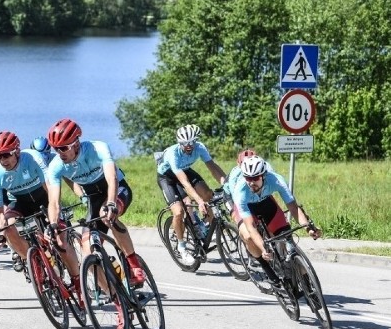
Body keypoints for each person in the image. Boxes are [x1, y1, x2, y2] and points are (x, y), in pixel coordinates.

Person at [44, 118, 146, 286]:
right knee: (87, 252)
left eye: (63, 148)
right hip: (93, 198)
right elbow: (54, 202)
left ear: (76, 144)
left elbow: (112, 179)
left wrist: (112, 203)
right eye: (56, 149)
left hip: (116, 190)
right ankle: (117, 299)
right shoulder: (56, 166)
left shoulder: (98, 148)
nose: (59, 152)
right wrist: (53, 224)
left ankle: (133, 264)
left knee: (106, 216)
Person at [231, 155, 321, 285]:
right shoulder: (241, 191)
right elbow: (251, 227)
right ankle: (267, 269)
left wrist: (308, 227)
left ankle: (307, 283)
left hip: (265, 202)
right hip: (246, 208)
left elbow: (293, 207)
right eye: (248, 178)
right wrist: (263, 249)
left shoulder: (276, 180)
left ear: (263, 176)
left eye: (255, 178)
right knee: (248, 236)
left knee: (286, 238)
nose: (251, 182)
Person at [0, 131, 68, 275]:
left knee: (57, 235)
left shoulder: (33, 158)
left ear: (17, 151)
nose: (2, 160)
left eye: (6, 155)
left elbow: (49, 189)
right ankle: (32, 261)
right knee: (7, 227)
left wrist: (54, 213)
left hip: (42, 197)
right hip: (19, 202)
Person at [156, 124, 227, 264]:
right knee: (178, 212)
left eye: (192, 142)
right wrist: (199, 202)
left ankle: (203, 226)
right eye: (185, 143)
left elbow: (212, 167)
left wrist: (227, 185)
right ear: (179, 142)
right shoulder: (173, 153)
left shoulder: (199, 147)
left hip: (185, 170)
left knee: (208, 194)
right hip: (167, 177)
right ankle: (181, 247)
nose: (189, 146)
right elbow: (185, 183)